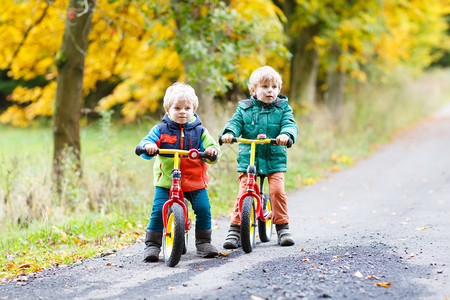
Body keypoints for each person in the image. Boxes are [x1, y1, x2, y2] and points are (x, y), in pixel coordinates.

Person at [138, 82, 220, 261]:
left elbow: (212, 147)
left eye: (187, 108)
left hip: (194, 181)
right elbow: (145, 142)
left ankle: (204, 243)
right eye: (177, 108)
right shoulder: (160, 129)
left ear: (193, 110)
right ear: (168, 110)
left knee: (203, 208)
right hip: (167, 180)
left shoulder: (200, 131)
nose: (183, 111)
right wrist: (149, 146)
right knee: (159, 209)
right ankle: (152, 246)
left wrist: (212, 152)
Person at [220, 66, 298, 248]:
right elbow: (235, 122)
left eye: (274, 87)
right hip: (249, 159)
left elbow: (290, 124)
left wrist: (286, 135)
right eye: (264, 86)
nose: (270, 90)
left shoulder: (283, 108)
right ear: (253, 90)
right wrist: (229, 133)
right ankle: (235, 230)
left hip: (274, 158)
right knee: (243, 193)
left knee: (277, 191)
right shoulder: (244, 108)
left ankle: (282, 227)